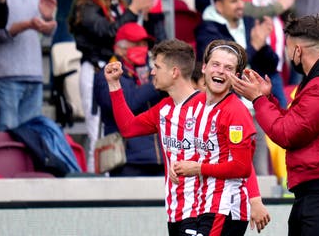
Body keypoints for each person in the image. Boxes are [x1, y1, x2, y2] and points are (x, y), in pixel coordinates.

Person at [230, 14, 319, 236]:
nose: (285, 54)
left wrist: (257, 99)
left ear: (297, 51)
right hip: (316, 190)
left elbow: (287, 133)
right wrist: (267, 99)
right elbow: (294, 124)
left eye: (287, 48)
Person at [104, 38, 260, 233]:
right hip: (176, 207)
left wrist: (255, 199)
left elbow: (241, 161)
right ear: (204, 68)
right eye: (216, 65)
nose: (152, 71)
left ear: (174, 71)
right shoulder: (165, 109)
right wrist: (114, 86)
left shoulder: (213, 106)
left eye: (157, 66)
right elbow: (128, 128)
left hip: (209, 207)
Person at [69, 0, 153, 162]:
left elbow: (130, 35)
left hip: (121, 74)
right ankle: (95, 187)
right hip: (96, 73)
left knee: (119, 128)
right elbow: (108, 32)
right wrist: (132, 10)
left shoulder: (119, 5)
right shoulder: (87, 7)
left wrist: (139, 14)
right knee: (98, 133)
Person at [0, 0, 56, 129]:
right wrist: (25, 25)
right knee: (6, 141)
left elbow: (48, 31)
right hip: (5, 76)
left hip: (34, 74)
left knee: (31, 141)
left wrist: (47, 19)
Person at [91, 22, 164, 176]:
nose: (143, 48)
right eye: (136, 44)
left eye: (145, 44)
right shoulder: (106, 76)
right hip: (127, 161)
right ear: (119, 48)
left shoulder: (151, 73)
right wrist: (156, 84)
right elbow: (129, 102)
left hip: (159, 160)